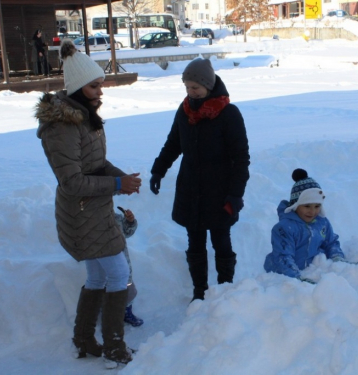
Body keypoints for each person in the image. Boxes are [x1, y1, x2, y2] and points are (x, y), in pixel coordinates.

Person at [34, 39, 142, 365]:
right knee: (119, 274)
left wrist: (122, 180)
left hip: (94, 210)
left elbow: (95, 165)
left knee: (98, 278)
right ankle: (113, 349)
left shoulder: (85, 118)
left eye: (101, 85)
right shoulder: (62, 126)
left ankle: (83, 341)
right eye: (95, 86)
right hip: (81, 214)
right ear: (80, 87)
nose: (101, 91)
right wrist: (116, 183)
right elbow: (72, 181)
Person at [150, 58, 250, 302]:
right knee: (195, 243)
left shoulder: (229, 114)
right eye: (187, 87)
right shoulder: (185, 111)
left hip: (219, 192)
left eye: (195, 87)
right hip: (191, 190)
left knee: (221, 242)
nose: (191, 93)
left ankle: (224, 290)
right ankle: (200, 291)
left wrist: (236, 194)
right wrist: (158, 170)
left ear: (208, 85)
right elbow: (174, 143)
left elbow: (241, 158)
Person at [264, 168, 348, 282]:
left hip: (311, 269)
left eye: (317, 206)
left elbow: (331, 242)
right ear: (295, 205)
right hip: (282, 275)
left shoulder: (322, 222)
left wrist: (337, 257)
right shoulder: (284, 228)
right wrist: (296, 278)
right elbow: (283, 257)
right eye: (307, 206)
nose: (312, 212)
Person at [115, 206, 144, 327]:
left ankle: (127, 312)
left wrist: (130, 221)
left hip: (123, 263)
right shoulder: (95, 220)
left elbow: (127, 231)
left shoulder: (116, 218)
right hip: (105, 263)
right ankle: (111, 317)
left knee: (128, 290)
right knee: (108, 292)